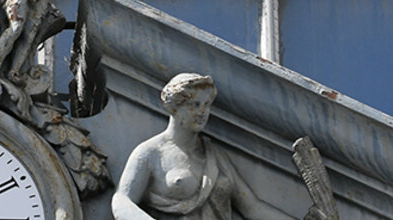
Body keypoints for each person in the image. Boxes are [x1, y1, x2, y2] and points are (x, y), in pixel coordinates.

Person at [113, 74, 297, 220]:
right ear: (174, 107)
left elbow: (252, 208)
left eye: (207, 105)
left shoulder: (215, 156)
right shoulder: (150, 153)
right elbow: (122, 200)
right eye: (195, 105)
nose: (202, 112)